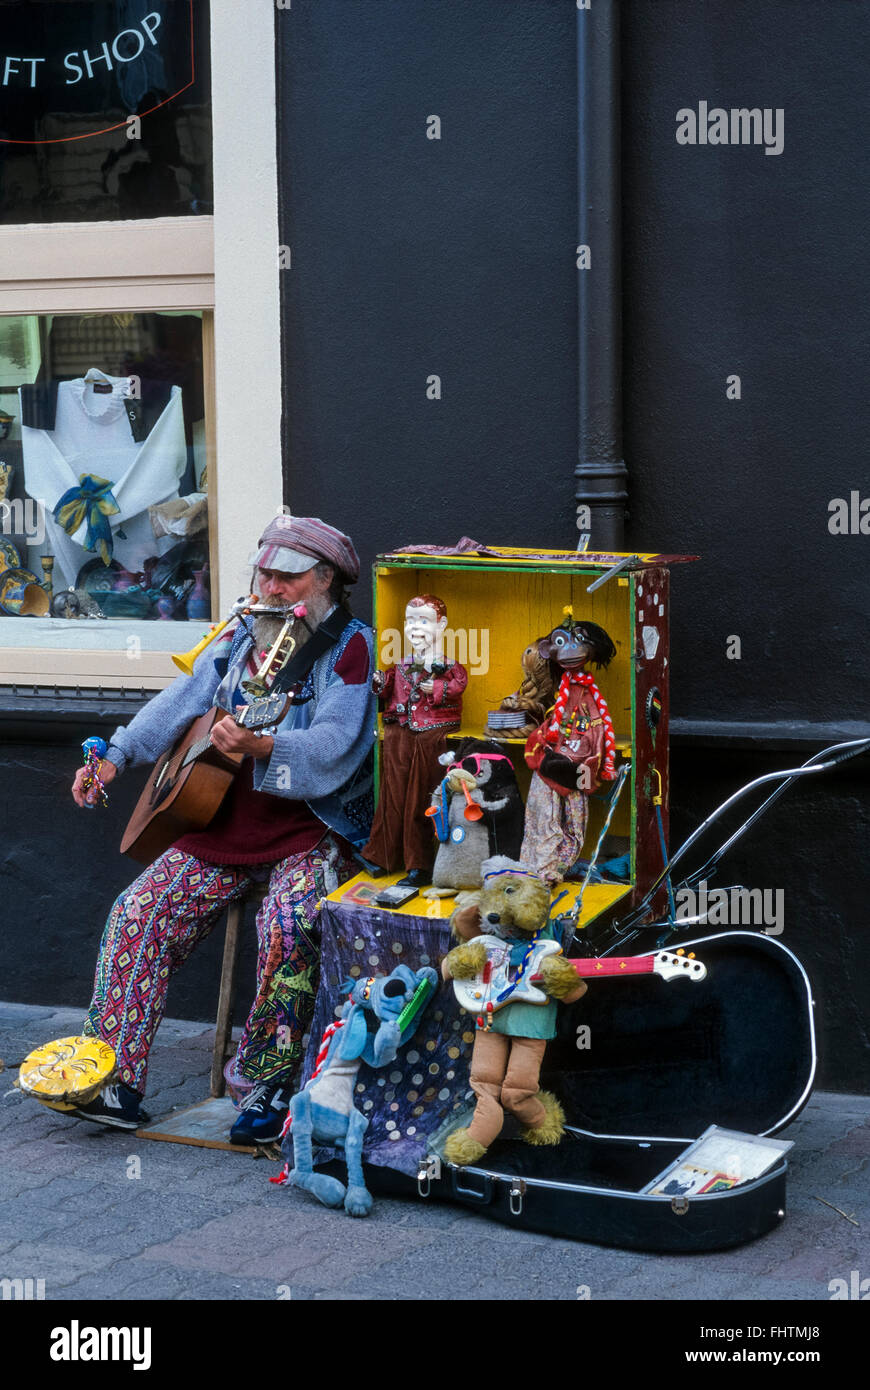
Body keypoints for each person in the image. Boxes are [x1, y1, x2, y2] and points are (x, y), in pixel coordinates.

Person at [66, 514, 375, 1143]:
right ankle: (113, 1079)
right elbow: (179, 702)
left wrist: (265, 747)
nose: (270, 587)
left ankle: (265, 1085)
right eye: (264, 571)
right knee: (139, 913)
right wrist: (115, 756)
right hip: (218, 823)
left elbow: (339, 740)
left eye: (287, 578)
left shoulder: (351, 647)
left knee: (292, 926)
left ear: (324, 581)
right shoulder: (239, 636)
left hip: (307, 830)